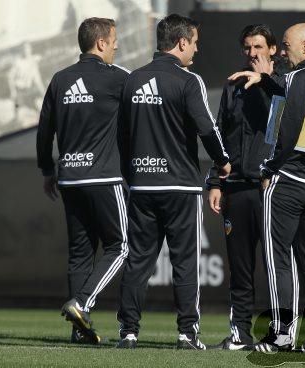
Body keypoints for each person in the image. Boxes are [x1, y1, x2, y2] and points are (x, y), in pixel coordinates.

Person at [116, 13, 231, 350]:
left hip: (141, 186)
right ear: (181, 42)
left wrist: (132, 174)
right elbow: (207, 128)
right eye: (194, 43)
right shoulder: (187, 80)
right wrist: (223, 163)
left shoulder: (132, 80)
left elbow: (122, 135)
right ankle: (187, 333)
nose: (196, 49)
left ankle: (128, 333)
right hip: (180, 186)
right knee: (184, 261)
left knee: (138, 262)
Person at [229, 23, 305, 353]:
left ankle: (281, 335)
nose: (282, 51)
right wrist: (268, 80)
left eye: (288, 45)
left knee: (277, 258)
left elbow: (284, 131)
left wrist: (269, 167)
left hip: (289, 182)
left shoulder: (296, 79)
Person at [36, 17, 130, 344]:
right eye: (114, 39)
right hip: (105, 177)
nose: (117, 45)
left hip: (70, 178)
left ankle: (79, 331)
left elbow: (45, 129)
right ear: (101, 43)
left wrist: (47, 169)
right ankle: (82, 303)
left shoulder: (60, 79)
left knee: (80, 253)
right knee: (121, 246)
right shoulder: (119, 79)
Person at [206, 24, 289, 350]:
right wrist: (215, 182)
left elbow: (283, 132)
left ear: (272, 49)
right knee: (240, 268)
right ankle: (240, 333)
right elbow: (221, 138)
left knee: (275, 267)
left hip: (270, 190)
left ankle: (278, 333)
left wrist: (266, 85)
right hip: (237, 188)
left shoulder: (284, 85)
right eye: (247, 48)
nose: (252, 53)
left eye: (258, 47)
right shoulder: (233, 86)